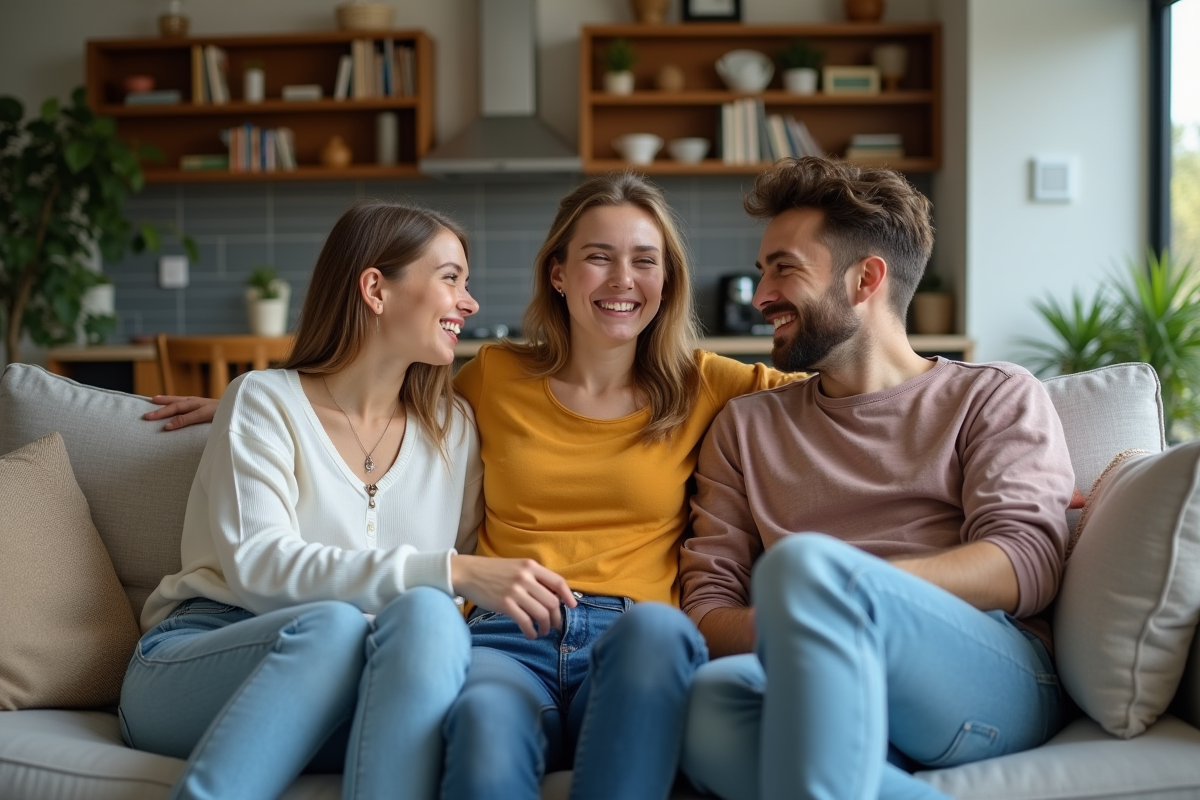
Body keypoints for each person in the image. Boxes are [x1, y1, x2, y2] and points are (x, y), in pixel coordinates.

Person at [146, 174, 796, 800]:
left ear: (668, 280)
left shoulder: (703, 385)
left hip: (625, 631)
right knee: (426, 668)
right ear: (559, 274)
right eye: (600, 257)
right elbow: (347, 405)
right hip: (498, 637)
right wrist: (248, 405)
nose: (624, 278)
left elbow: (846, 393)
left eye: (645, 260)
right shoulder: (486, 385)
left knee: (644, 634)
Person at [122, 200, 573, 800]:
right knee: (335, 626)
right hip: (203, 658)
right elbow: (261, 567)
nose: (470, 303)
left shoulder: (454, 428)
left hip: (367, 674)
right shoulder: (263, 401)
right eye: (451, 279)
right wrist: (449, 571)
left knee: (430, 615)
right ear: (375, 289)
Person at [678, 157, 1074, 800]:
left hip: (984, 674)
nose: (759, 298)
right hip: (811, 673)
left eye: (785, 268)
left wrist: (835, 598)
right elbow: (707, 608)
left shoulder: (992, 396)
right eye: (762, 271)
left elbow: (1025, 564)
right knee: (710, 699)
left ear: (866, 279)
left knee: (803, 568)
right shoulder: (745, 429)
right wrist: (816, 628)